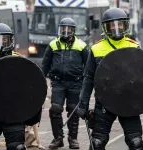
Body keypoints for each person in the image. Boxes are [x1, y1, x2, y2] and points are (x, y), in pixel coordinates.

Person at [76, 7, 143, 150]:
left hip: (128, 103)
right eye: (112, 25)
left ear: (125, 25)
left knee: (136, 142)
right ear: (106, 27)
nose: (116, 28)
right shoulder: (96, 49)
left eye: (119, 24)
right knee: (97, 143)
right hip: (105, 103)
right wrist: (83, 104)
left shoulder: (134, 46)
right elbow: (88, 78)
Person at [42, 17, 89, 149]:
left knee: (73, 111)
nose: (66, 31)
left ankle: (73, 139)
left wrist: (86, 80)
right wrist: (40, 81)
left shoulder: (82, 45)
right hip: (58, 82)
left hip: (76, 83)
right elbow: (45, 65)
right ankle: (58, 138)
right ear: (59, 29)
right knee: (55, 109)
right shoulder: (52, 45)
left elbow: (88, 65)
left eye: (69, 29)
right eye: (63, 29)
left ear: (73, 31)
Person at [0, 23, 26, 150]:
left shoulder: (19, 60)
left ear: (10, 40)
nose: (1, 42)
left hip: (13, 113)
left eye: (4, 39)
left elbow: (29, 86)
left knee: (17, 147)